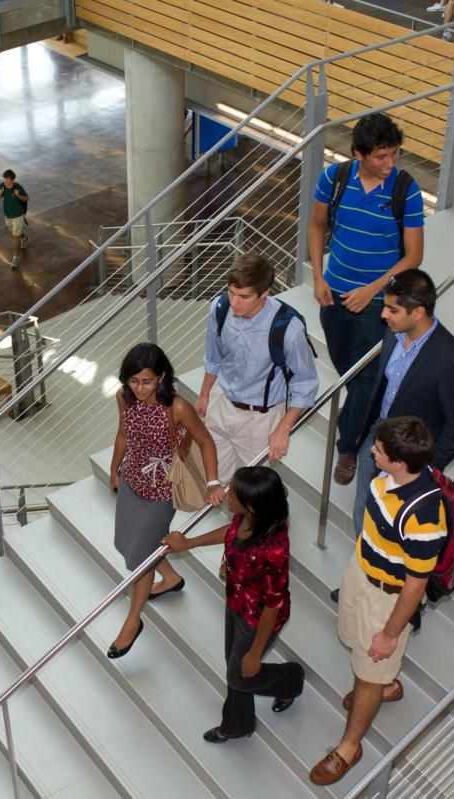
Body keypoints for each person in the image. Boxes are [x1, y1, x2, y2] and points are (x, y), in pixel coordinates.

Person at [310, 416, 447, 786]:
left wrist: (390, 633)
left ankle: (349, 747)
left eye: (379, 450)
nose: (372, 450)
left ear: (400, 462)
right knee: (354, 642)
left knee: (370, 665)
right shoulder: (385, 477)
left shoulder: (424, 518)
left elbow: (415, 586)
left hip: (387, 599)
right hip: (362, 573)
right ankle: (385, 685)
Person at [306, 112, 425, 487]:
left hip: (376, 304)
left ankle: (347, 445)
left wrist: (373, 291)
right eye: (381, 157)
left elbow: (413, 256)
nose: (389, 164)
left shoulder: (406, 190)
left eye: (394, 155)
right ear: (359, 153)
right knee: (346, 370)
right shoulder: (335, 179)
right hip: (333, 297)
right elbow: (315, 225)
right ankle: (362, 418)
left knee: (363, 377)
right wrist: (317, 276)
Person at [164, 466, 305, 743]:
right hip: (236, 603)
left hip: (258, 619)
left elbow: (273, 605)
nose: (227, 495)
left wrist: (255, 652)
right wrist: (188, 543)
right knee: (233, 662)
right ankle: (239, 724)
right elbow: (230, 532)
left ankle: (290, 678)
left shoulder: (274, 548)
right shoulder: (249, 517)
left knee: (239, 675)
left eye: (234, 492)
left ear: (251, 503)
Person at [108, 343, 222, 658]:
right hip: (132, 479)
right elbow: (123, 435)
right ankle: (171, 577)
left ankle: (133, 622)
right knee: (127, 543)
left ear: (161, 377)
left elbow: (205, 441)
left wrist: (213, 482)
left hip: (160, 490)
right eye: (133, 381)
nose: (139, 388)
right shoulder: (123, 397)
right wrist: (114, 469)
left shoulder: (177, 408)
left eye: (146, 381)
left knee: (139, 560)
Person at [350, 269, 454, 532]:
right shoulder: (393, 333)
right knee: (365, 501)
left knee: (393, 523)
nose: (384, 315)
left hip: (409, 460)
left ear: (417, 312)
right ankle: (363, 550)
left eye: (392, 310)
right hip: (377, 438)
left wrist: (423, 470)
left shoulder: (452, 362)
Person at [197, 255, 319, 483]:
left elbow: (305, 385)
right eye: (231, 292)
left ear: (265, 293)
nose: (234, 302)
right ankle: (237, 518)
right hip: (221, 403)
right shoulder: (220, 307)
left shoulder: (288, 329)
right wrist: (205, 393)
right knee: (219, 480)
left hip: (260, 419)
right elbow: (213, 355)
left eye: (244, 296)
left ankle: (273, 516)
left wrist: (283, 429)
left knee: (255, 488)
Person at [0, 169, 29, 268]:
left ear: (12, 179)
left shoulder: (18, 187)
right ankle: (25, 238)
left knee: (15, 237)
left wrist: (18, 195)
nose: (5, 180)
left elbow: (27, 198)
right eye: (4, 178)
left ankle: (16, 259)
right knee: (14, 232)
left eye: (7, 178)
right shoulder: (1, 186)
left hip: (18, 215)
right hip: (8, 214)